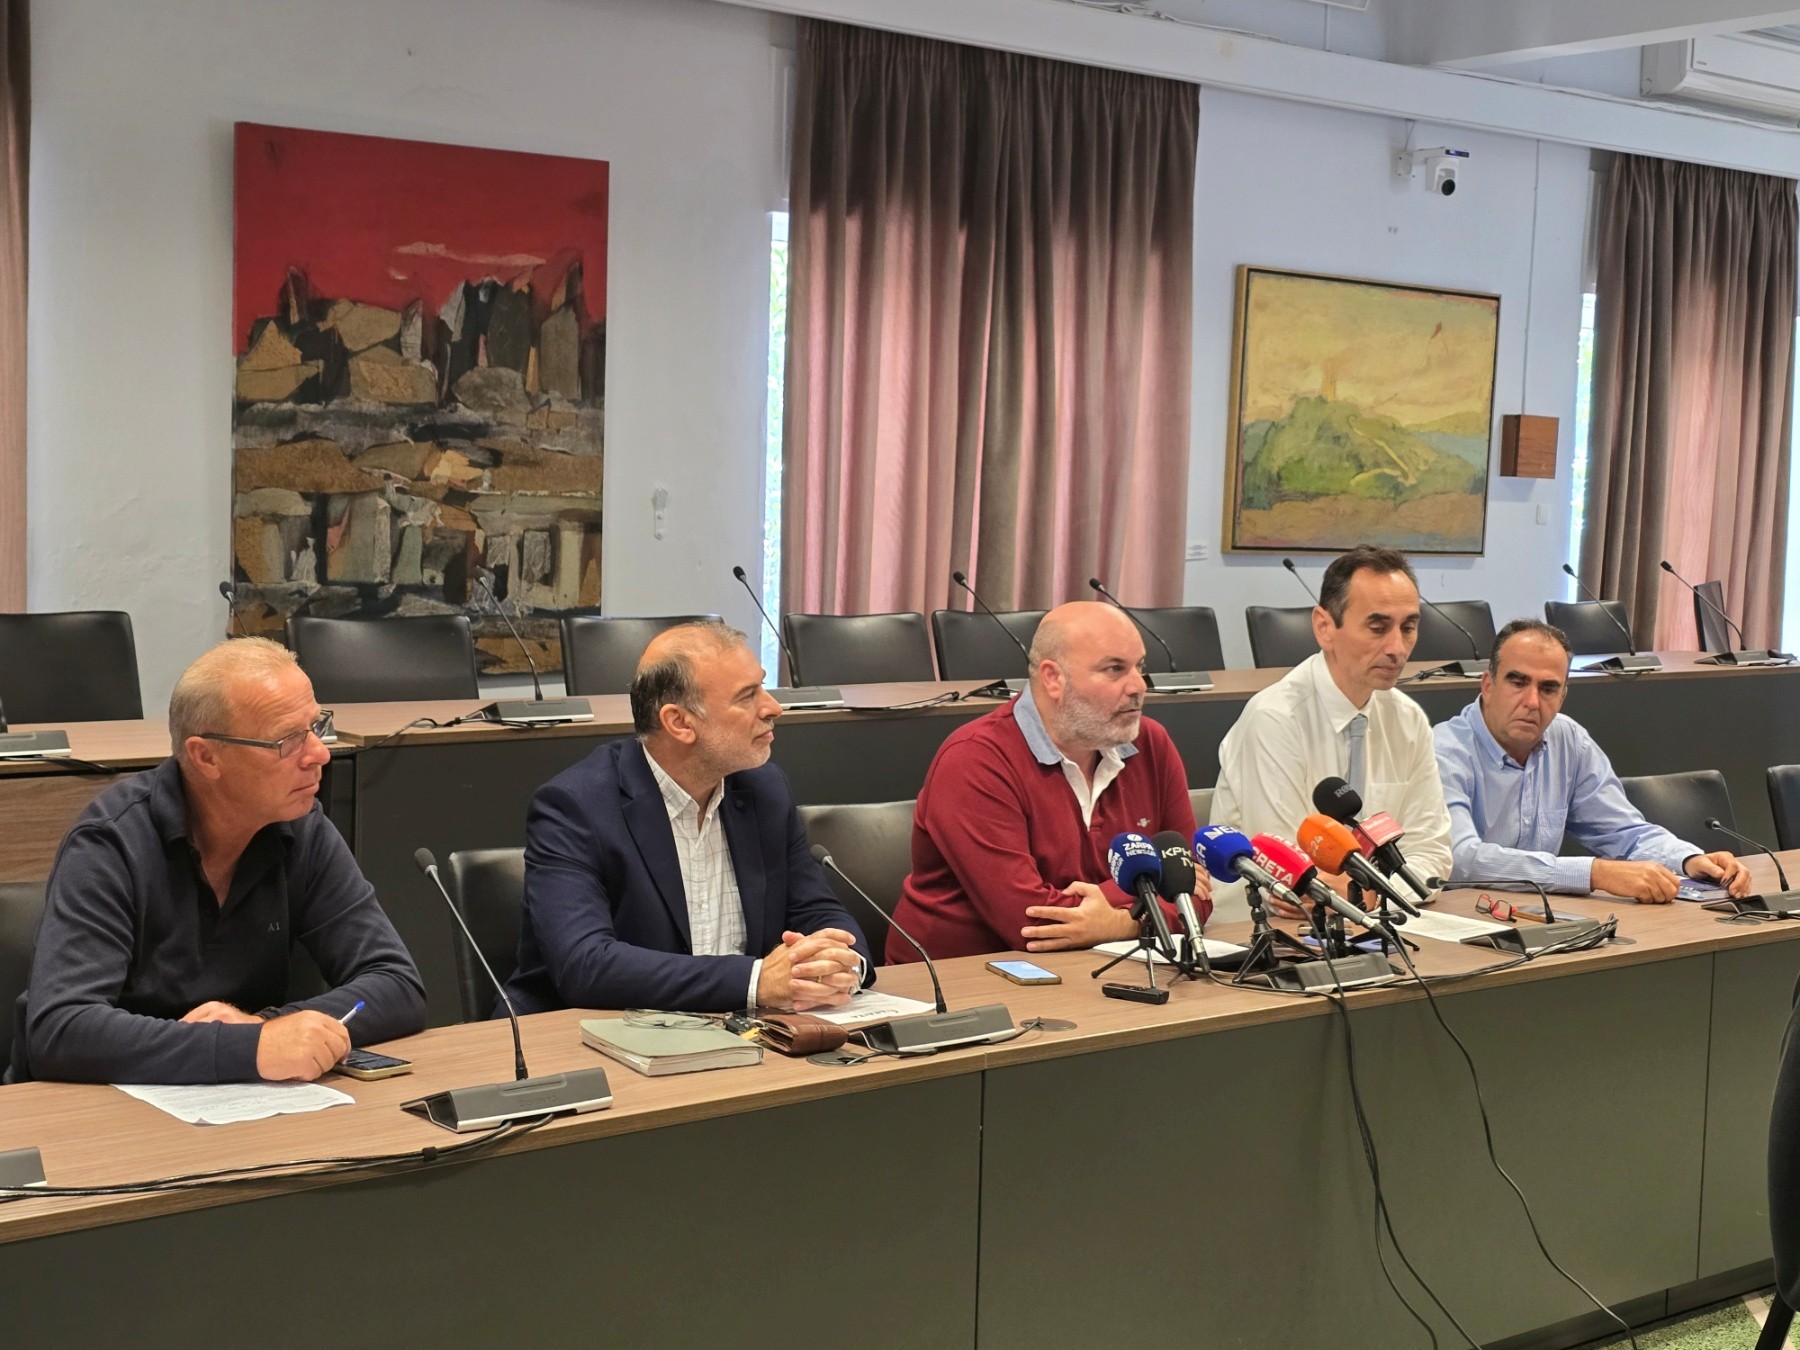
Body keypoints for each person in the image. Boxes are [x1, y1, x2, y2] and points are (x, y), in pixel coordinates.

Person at [8, 638, 426, 1085]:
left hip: (235, 1100)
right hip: (98, 1105)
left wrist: (267, 1027)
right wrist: (246, 1047)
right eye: (288, 740)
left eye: (316, 726)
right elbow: (61, 1031)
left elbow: (396, 983)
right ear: (206, 756)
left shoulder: (301, 827)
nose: (320, 754)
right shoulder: (111, 842)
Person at [502, 620, 870, 1015]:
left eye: (762, 687)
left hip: (739, 1030)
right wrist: (755, 981)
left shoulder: (765, 789)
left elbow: (818, 912)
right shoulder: (575, 806)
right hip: (589, 1031)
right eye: (747, 696)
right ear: (680, 723)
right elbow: (585, 964)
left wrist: (844, 966)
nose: (772, 707)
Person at [888, 600, 1207, 962]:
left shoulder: (1151, 745)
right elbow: (1030, 922)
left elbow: (1194, 894)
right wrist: (1147, 894)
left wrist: (1118, 924)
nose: (1138, 685)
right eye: (1115, 669)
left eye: (1140, 666)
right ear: (1053, 678)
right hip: (960, 975)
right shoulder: (974, 759)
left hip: (1100, 962)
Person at [1434, 619, 1751, 901]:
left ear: (1562, 697)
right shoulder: (1444, 751)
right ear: (1488, 685)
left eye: (1548, 689)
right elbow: (1459, 859)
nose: (1532, 701)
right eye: (1518, 683)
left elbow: (1622, 831)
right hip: (1458, 920)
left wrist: (1688, 860)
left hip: (1538, 916)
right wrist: (1594, 873)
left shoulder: (1568, 739)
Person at [1212, 546, 1453, 905]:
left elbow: (1432, 857)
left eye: (1408, 628)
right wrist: (1374, 894)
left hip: (1376, 920)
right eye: (1378, 627)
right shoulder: (1274, 718)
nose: (1397, 648)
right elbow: (1290, 877)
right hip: (1263, 929)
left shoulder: (1407, 719)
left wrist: (1370, 896)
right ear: (1324, 628)